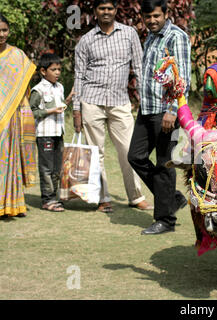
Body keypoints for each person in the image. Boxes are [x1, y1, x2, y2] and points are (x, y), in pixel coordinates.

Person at [73, 0, 152, 213]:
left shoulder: (129, 34)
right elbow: (79, 76)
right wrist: (76, 109)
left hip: (120, 102)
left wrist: (145, 101)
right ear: (96, 12)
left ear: (115, 11)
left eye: (109, 8)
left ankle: (136, 197)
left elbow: (140, 67)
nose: (106, 12)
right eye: (102, 8)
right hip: (91, 101)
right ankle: (103, 198)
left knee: (129, 151)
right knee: (95, 153)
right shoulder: (86, 40)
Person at [128, 0, 190, 235]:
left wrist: (173, 110)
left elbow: (183, 76)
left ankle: (165, 220)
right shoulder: (152, 37)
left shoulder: (177, 36)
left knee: (165, 163)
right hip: (147, 109)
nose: (152, 21)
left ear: (166, 13)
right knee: (135, 156)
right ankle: (172, 198)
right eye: (147, 17)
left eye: (156, 16)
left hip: (166, 112)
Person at [0, 14, 37, 219]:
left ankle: (12, 205)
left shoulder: (17, 56)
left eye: (4, 30)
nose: (1, 34)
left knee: (10, 160)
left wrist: (25, 114)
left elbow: (23, 90)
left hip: (11, 117)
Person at [30, 53, 73, 212]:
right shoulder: (38, 90)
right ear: (43, 71)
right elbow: (31, 112)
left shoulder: (60, 87)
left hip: (58, 133)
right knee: (46, 168)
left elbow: (60, 106)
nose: (57, 73)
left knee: (57, 167)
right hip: (44, 134)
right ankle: (47, 200)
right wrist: (49, 111)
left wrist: (69, 99)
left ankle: (54, 197)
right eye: (53, 69)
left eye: (59, 69)